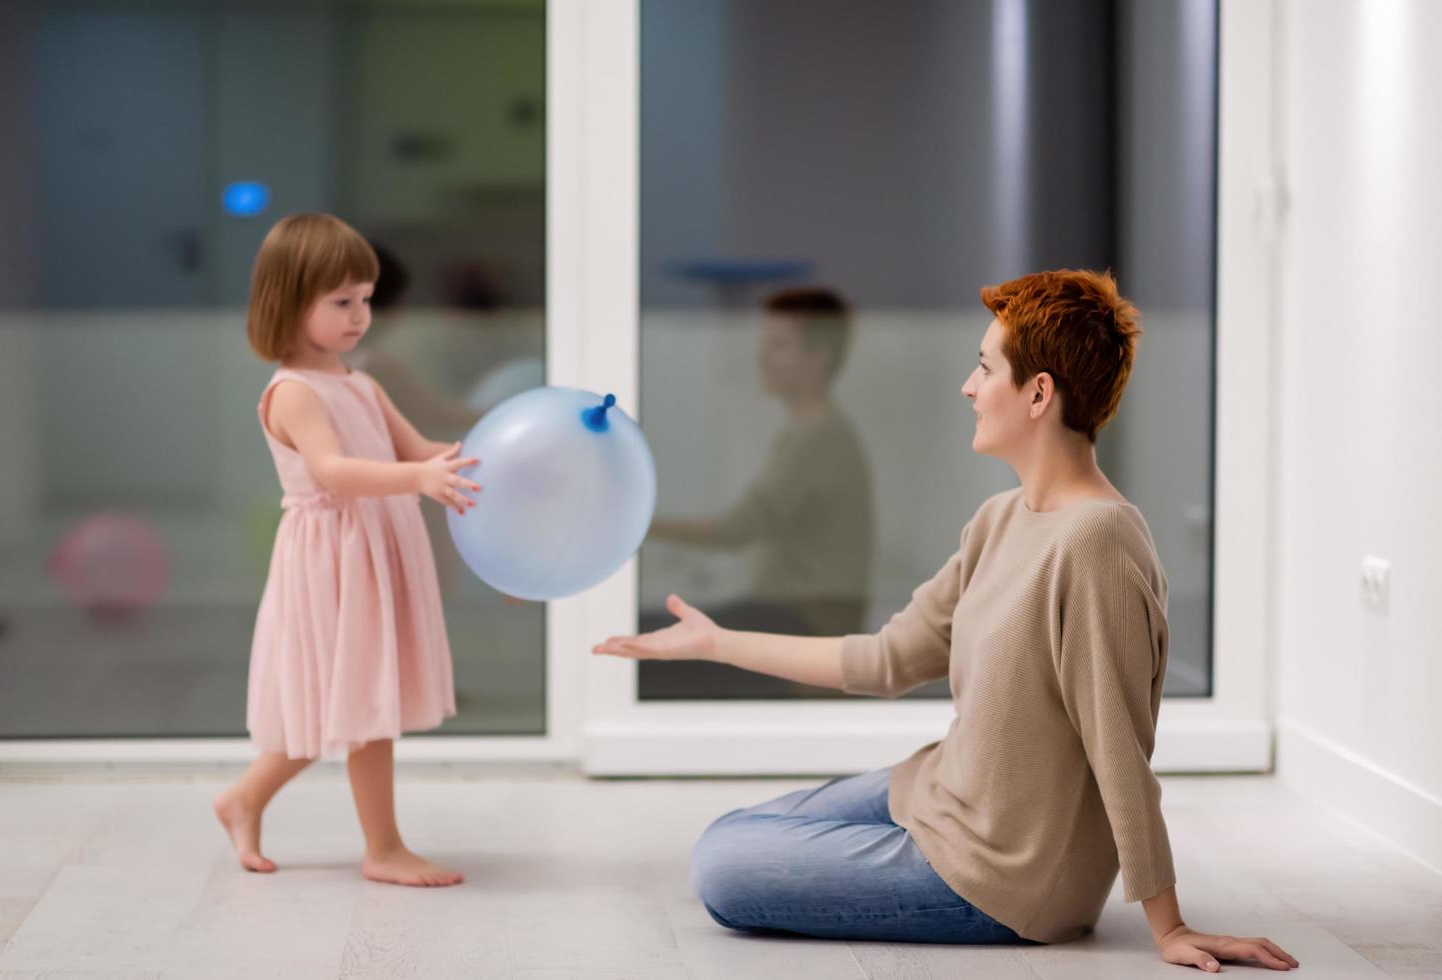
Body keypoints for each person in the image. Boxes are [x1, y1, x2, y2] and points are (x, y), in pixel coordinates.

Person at [595, 270, 1299, 971]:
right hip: (942, 791)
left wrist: (1167, 922)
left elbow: (1117, 748)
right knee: (732, 833)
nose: (967, 385)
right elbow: (885, 659)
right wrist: (714, 643)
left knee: (722, 867)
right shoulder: (998, 520)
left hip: (1001, 876)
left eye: (985, 366)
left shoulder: (1098, 543)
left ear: (1038, 393)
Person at [214, 213, 479, 887]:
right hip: (334, 556)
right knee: (362, 701)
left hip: (373, 548)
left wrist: (473, 460)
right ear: (288, 301)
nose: (361, 315)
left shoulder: (361, 382)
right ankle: (382, 849)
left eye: (365, 298)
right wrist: (418, 479)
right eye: (342, 302)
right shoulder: (294, 392)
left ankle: (243, 798)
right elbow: (332, 471)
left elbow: (418, 449)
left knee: (358, 698)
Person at [642, 287, 873, 699]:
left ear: (816, 359)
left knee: (647, 644)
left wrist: (638, 526)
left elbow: (735, 530)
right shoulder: (812, 433)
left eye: (778, 346)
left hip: (805, 626)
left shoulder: (818, 439)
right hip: (792, 617)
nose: (761, 358)